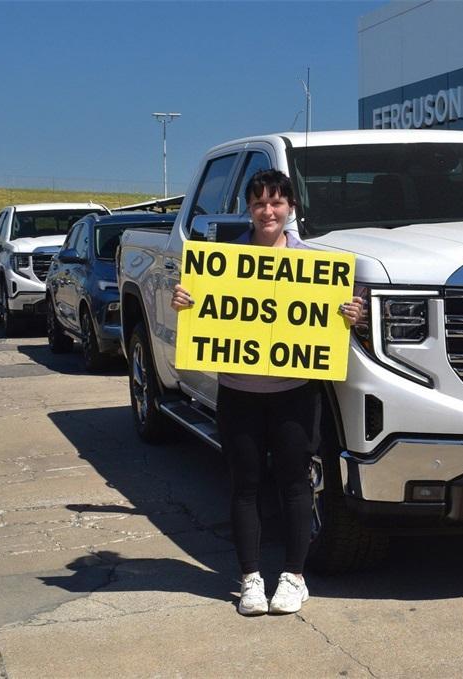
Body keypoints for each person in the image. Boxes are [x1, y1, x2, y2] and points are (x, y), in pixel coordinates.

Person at [171, 169, 364, 615]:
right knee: (245, 485)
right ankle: (251, 578)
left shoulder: (314, 265)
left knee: (295, 483)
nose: (268, 211)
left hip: (295, 392)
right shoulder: (224, 262)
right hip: (239, 391)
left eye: (276, 202)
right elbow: (205, 316)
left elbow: (336, 320)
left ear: (290, 207)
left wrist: (352, 314)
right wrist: (186, 303)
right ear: (249, 209)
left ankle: (294, 577)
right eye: (259, 203)